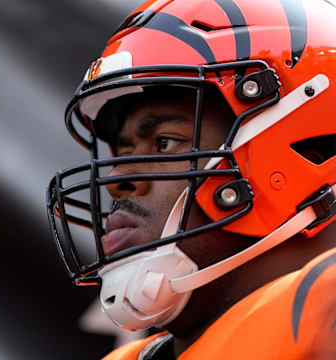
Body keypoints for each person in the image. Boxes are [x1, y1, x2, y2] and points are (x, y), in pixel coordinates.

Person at [47, 0, 336, 358]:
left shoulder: (320, 308)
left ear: (310, 155)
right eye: (122, 153)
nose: (116, 179)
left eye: (164, 143)